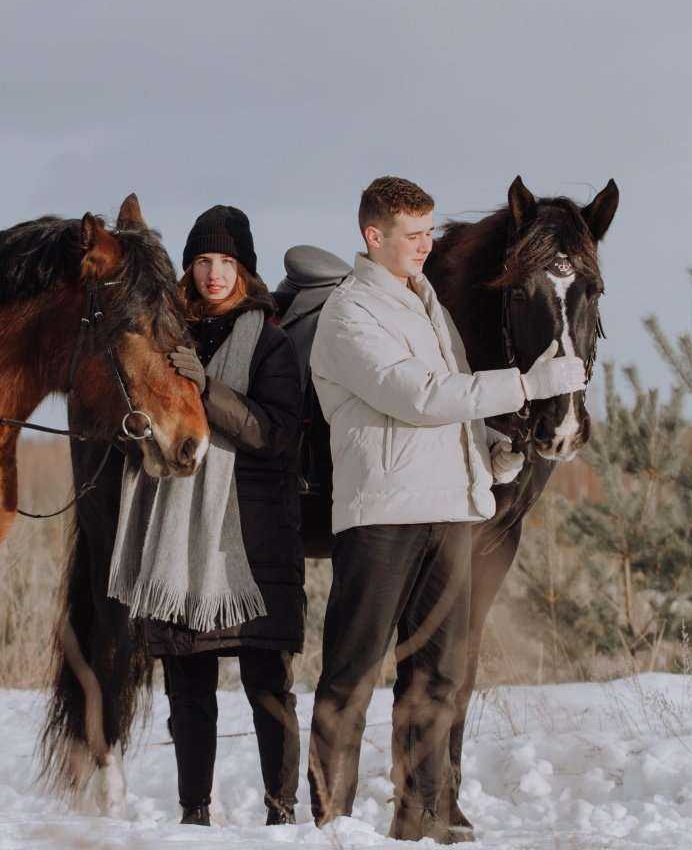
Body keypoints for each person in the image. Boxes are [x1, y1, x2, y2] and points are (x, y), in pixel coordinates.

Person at [305, 177, 586, 843]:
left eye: (430, 231)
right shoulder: (350, 315)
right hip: (383, 516)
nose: (427, 246)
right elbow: (419, 396)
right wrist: (525, 384)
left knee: (436, 674)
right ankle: (331, 824)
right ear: (373, 238)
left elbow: (452, 410)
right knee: (351, 674)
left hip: (449, 510)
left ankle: (422, 817)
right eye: (412, 235)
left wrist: (495, 446)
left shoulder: (427, 304)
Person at [122, 205, 306, 826]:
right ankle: (193, 815)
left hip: (251, 541)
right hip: (179, 537)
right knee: (188, 692)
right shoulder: (163, 339)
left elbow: (276, 433)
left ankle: (283, 815)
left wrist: (205, 393)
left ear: (245, 269)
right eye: (203, 260)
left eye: (227, 261)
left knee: (267, 690)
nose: (213, 273)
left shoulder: (272, 343)